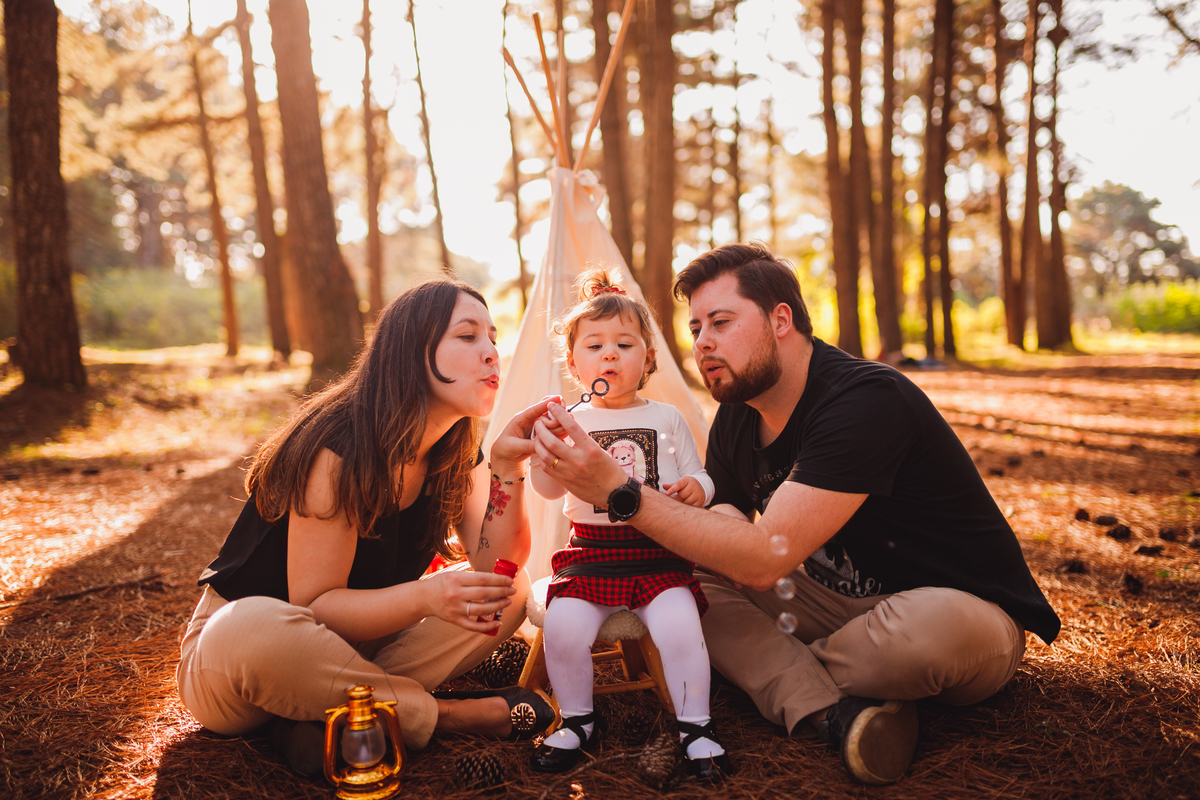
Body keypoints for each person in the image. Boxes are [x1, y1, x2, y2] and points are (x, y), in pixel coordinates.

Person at [529, 243, 1061, 786]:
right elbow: (724, 523)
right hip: (835, 606)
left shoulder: (866, 399)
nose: (704, 343)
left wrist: (622, 492)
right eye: (695, 329)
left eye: (721, 322)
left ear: (780, 320)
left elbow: (762, 560)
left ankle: (778, 670)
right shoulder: (740, 414)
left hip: (956, 612)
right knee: (690, 582)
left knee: (928, 635)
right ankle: (833, 712)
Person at [176, 279, 558, 777]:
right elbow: (315, 607)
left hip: (356, 651)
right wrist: (426, 597)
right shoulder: (338, 450)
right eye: (467, 337)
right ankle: (441, 715)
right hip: (245, 660)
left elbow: (497, 566)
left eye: (492, 339)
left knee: (506, 589)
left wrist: (509, 469)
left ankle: (324, 713)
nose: (490, 353)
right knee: (247, 625)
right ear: (412, 352)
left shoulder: (455, 451)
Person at [526, 271, 730, 781]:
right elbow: (550, 494)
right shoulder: (568, 422)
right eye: (594, 345)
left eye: (624, 344)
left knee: (681, 628)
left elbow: (700, 474)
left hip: (657, 553)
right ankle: (577, 719)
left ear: (648, 358)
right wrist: (540, 458)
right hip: (590, 555)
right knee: (566, 630)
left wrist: (698, 491)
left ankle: (696, 726)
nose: (610, 355)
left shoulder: (667, 417)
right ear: (574, 364)